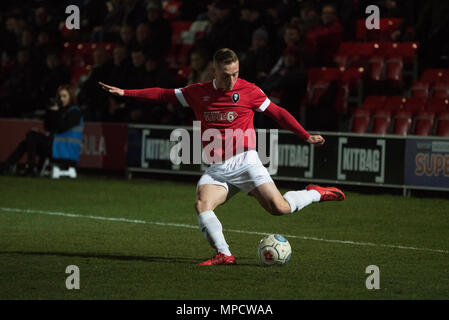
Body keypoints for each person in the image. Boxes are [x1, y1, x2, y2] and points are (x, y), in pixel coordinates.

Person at [99, 48, 345, 266]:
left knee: (279, 209)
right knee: (202, 205)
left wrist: (305, 135)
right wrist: (126, 93)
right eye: (226, 74)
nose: (232, 79)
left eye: (236, 73)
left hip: (246, 161)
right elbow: (163, 94)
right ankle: (224, 254)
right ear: (213, 70)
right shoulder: (197, 92)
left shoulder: (249, 91)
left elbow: (277, 113)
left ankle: (314, 192)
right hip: (217, 168)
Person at [1, 85, 83, 176]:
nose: (61, 99)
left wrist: (55, 112)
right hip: (56, 148)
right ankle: (5, 167)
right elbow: (48, 127)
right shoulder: (60, 111)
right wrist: (50, 112)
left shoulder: (75, 112)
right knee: (26, 143)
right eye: (59, 96)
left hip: (65, 152)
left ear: (71, 97)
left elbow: (62, 127)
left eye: (64, 96)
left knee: (32, 135)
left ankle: (31, 168)